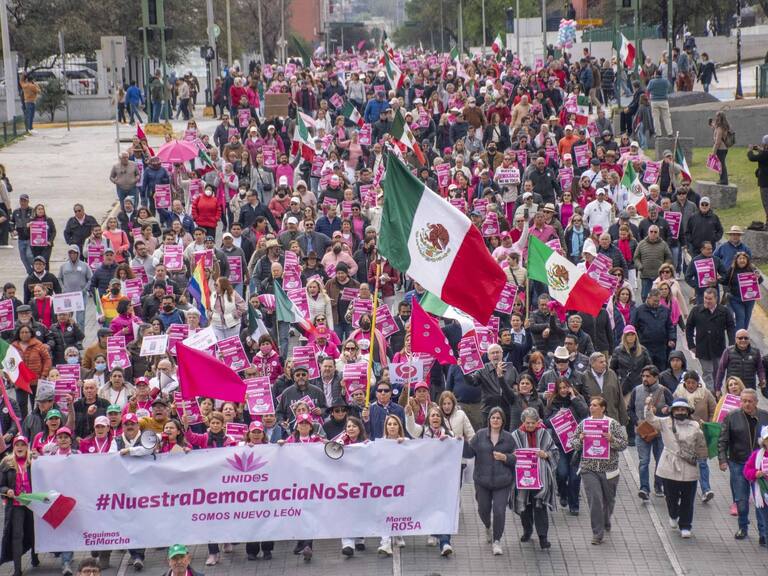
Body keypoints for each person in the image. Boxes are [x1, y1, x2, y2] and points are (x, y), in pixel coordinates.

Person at [644, 397, 707, 538]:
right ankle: (673, 514)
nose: (680, 411)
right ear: (672, 411)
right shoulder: (665, 422)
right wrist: (648, 406)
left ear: (688, 411)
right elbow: (650, 419)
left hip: (689, 465)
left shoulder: (695, 425)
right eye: (677, 409)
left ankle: (686, 525)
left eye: (683, 409)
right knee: (671, 496)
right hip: (669, 464)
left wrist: (702, 457)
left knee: (688, 498)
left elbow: (701, 444)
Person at [571, 396, 628, 545]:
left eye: (595, 405)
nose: (592, 407)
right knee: (595, 500)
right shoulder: (584, 423)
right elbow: (573, 443)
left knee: (609, 500)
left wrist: (612, 440)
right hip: (589, 468)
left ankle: (606, 519)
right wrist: (581, 440)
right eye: (591, 405)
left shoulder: (612, 424)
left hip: (609, 469)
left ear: (603, 408)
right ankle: (597, 533)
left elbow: (623, 444)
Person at [718, 388, 768, 540]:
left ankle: (763, 533)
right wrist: (722, 459)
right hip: (738, 462)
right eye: (743, 401)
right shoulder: (732, 416)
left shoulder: (765, 416)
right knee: (741, 499)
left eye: (750, 401)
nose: (746, 404)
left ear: (756, 402)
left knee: (761, 500)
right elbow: (723, 440)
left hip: (759, 465)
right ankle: (743, 527)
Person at [466, 407, 516, 556]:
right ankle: (487, 526)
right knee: (483, 509)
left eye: (498, 418)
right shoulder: (480, 435)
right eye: (493, 418)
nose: (495, 420)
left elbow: (516, 458)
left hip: (502, 481)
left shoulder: (508, 438)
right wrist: (460, 441)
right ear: (489, 420)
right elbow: (469, 453)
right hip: (483, 481)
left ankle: (497, 541)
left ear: (502, 421)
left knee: (499, 511)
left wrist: (505, 457)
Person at [509, 407, 558, 550]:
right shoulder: (515, 435)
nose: (530, 425)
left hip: (540, 477)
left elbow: (554, 452)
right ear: (523, 422)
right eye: (527, 423)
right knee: (524, 505)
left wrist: (546, 454)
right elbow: (510, 454)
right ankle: (527, 530)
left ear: (538, 422)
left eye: (533, 423)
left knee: (540, 506)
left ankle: (543, 537)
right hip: (522, 477)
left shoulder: (544, 434)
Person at [545, 377, 589, 515]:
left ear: (570, 387)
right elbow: (546, 422)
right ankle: (563, 493)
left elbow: (585, 413)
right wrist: (556, 416)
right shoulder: (553, 402)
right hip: (560, 444)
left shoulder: (577, 398)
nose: (563, 390)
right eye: (561, 388)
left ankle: (574, 505)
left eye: (566, 387)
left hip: (576, 444)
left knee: (575, 476)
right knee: (562, 473)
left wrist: (574, 398)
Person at [629, 365, 674, 500]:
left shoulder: (664, 391)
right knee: (644, 461)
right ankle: (644, 488)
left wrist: (662, 411)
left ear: (656, 377)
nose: (645, 379)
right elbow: (629, 409)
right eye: (643, 376)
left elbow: (673, 409)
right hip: (642, 433)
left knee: (660, 461)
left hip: (659, 433)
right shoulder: (636, 391)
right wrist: (637, 422)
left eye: (648, 376)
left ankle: (658, 485)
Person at [674, 370, 717, 502]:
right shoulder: (678, 394)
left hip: (701, 434)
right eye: (688, 382)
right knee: (683, 462)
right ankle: (681, 490)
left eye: (693, 382)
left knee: (702, 462)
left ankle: (706, 489)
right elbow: (673, 411)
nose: (691, 385)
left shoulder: (706, 394)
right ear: (684, 383)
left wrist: (708, 424)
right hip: (683, 435)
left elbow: (713, 410)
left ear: (698, 383)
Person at [0, 436, 38, 576]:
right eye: (17, 445)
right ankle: (17, 569)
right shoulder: (6, 463)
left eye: (23, 444)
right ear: (14, 447)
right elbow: (1, 485)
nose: (20, 447)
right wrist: (6, 491)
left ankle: (35, 556)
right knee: (17, 535)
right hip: (15, 506)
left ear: (26, 447)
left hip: (32, 504)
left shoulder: (33, 462)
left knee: (33, 532)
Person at [685, 288, 736, 391]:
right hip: (702, 348)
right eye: (705, 298)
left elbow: (731, 327)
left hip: (719, 348)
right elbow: (689, 327)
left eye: (710, 299)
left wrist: (731, 345)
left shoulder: (724, 311)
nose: (707, 301)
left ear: (716, 299)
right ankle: (712, 394)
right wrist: (691, 345)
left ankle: (717, 390)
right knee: (708, 372)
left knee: (718, 372)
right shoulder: (696, 311)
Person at [743, 426, 768, 549]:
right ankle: (764, 536)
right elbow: (747, 470)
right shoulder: (757, 455)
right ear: (763, 442)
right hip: (762, 495)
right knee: (764, 518)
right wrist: (755, 473)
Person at [747, 135, 768, 226]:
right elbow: (763, 154)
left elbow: (752, 158)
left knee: (766, 204)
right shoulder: (764, 153)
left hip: (765, 183)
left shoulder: (764, 154)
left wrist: (750, 150)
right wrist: (759, 149)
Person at [711, 111, 731, 185]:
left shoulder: (720, 128)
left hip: (720, 149)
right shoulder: (724, 127)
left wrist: (714, 152)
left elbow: (718, 142)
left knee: (721, 165)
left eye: (717, 117)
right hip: (724, 148)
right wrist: (713, 126)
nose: (716, 118)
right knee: (721, 164)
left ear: (719, 118)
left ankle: (724, 180)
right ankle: (722, 179)